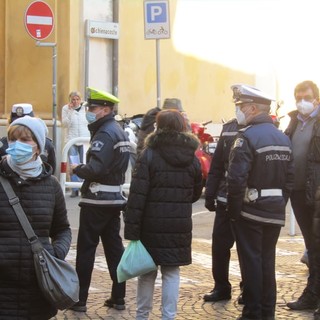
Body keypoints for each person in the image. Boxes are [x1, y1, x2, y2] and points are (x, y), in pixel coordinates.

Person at [124, 109, 203, 320]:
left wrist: (131, 229)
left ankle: (142, 316)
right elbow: (195, 193)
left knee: (147, 273)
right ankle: (169, 317)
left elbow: (137, 195)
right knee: (171, 272)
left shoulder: (149, 154)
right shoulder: (192, 157)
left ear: (159, 127)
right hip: (179, 225)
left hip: (150, 225)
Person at [227, 84, 294, 320]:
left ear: (253, 108)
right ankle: (268, 312)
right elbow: (290, 179)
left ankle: (252, 312)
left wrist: (234, 212)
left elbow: (235, 180)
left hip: (250, 211)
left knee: (252, 262)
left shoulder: (246, 138)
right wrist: (277, 202)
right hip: (274, 211)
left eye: (241, 107)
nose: (239, 112)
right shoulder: (283, 138)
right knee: (267, 261)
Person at [0, 116, 71, 319]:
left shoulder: (51, 186)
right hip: (3, 285)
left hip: (38, 286)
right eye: (13, 140)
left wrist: (55, 253)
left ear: (38, 147)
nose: (16, 145)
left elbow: (62, 229)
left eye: (25, 140)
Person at [69, 87, 130, 312]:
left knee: (86, 250)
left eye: (92, 108)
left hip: (97, 200)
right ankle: (119, 297)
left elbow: (97, 168)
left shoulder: (105, 132)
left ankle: (80, 299)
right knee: (114, 250)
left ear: (106, 109)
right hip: (113, 199)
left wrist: (78, 168)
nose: (89, 111)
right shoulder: (118, 130)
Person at [284, 80, 320, 311]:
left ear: (316, 98)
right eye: (298, 98)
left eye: (306, 97)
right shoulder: (295, 121)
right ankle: (312, 294)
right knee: (312, 247)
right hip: (298, 193)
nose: (301, 102)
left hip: (317, 194)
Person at [203, 118, 244, 303]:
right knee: (219, 246)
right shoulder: (228, 128)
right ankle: (221, 287)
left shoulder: (262, 127)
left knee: (246, 248)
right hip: (224, 199)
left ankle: (248, 288)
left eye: (242, 104)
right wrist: (210, 192)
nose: (239, 108)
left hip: (247, 201)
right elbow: (217, 163)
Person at [0, 103, 56, 174]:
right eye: (16, 123)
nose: (20, 128)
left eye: (25, 139)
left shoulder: (47, 144)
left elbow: (51, 170)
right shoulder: (2, 144)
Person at [62, 91, 90, 197]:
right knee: (74, 163)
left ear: (80, 99)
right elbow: (65, 124)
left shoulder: (85, 108)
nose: (75, 101)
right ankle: (74, 188)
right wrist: (70, 111)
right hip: (71, 139)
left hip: (84, 139)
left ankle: (84, 186)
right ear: (70, 100)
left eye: (77, 99)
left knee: (84, 162)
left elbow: (91, 120)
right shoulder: (66, 109)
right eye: (73, 99)